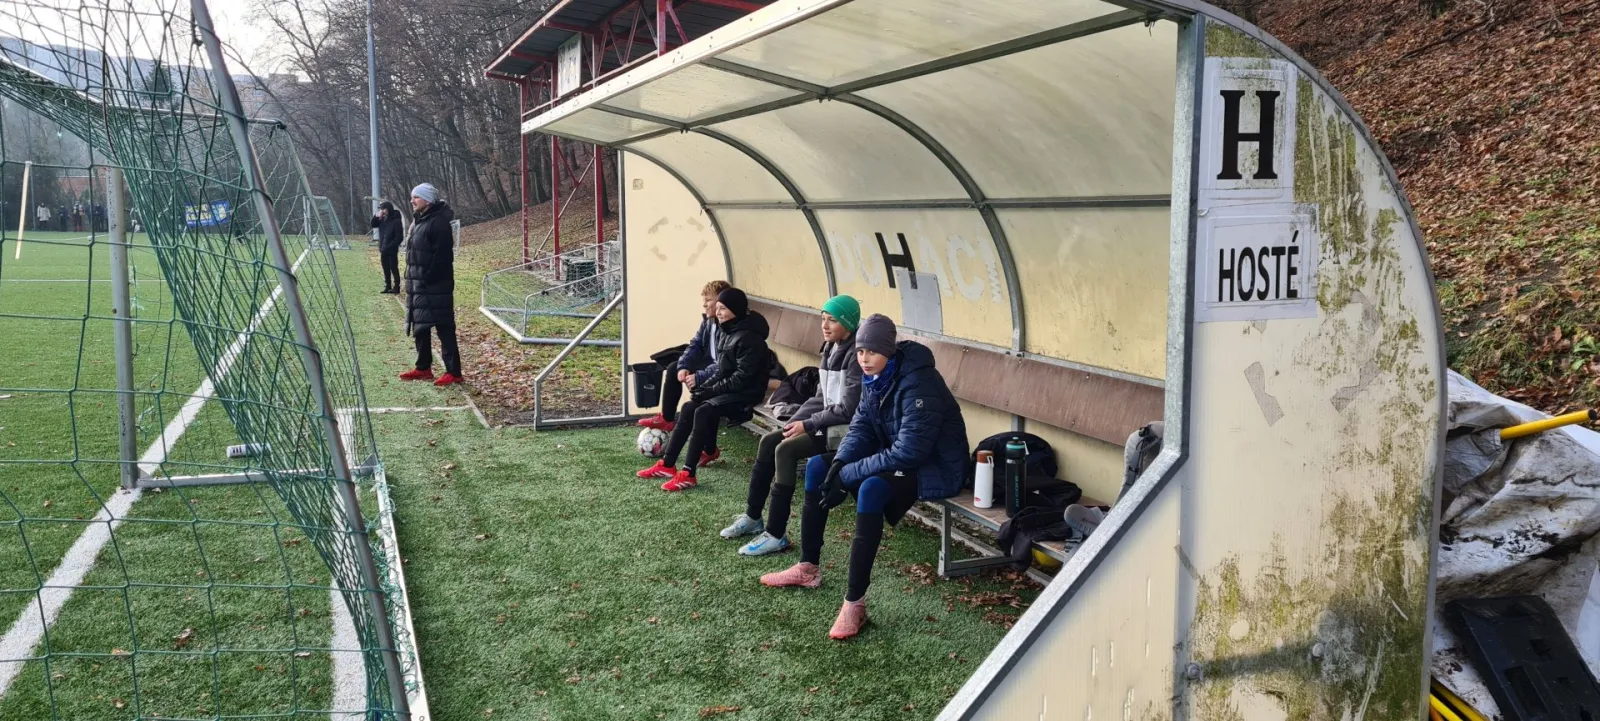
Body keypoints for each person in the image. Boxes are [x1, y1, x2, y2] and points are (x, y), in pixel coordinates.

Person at [760, 314, 969, 640]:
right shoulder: (876, 377)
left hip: (935, 465)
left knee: (871, 488)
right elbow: (861, 428)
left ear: (888, 350)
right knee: (818, 467)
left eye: (871, 351)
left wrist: (848, 474)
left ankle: (854, 604)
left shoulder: (920, 382)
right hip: (898, 453)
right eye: (860, 351)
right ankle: (807, 567)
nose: (864, 359)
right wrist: (840, 463)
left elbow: (909, 452)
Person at [722, 295, 862, 556]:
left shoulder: (856, 356)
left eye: (832, 320)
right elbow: (821, 397)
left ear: (849, 323)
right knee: (770, 440)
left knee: (785, 450)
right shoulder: (830, 348)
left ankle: (776, 534)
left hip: (849, 431)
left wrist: (807, 424)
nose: (825, 325)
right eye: (823, 319)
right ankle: (753, 517)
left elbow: (848, 409)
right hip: (827, 423)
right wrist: (798, 419)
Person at [638, 287, 770, 492]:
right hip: (731, 389)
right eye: (718, 308)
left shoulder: (751, 339)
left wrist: (710, 391)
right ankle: (667, 465)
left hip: (746, 393)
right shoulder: (727, 330)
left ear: (735, 309)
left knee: (703, 411)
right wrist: (706, 388)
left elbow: (741, 379)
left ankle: (688, 474)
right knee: (689, 406)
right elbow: (722, 370)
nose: (718, 312)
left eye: (723, 308)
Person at [398, 183, 464, 386]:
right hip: (418, 285)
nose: (412, 200)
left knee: (444, 328)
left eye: (416, 197)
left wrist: (428, 277)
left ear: (427, 200)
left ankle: (454, 372)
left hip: (435, 286)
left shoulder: (438, 222)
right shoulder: (419, 220)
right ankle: (423, 368)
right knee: (420, 327)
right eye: (412, 197)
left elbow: (442, 256)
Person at [370, 200, 404, 293]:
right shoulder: (382, 219)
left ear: (389, 209)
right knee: (385, 268)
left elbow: (399, 237)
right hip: (383, 248)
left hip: (391, 249)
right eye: (381, 209)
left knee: (393, 268)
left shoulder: (396, 220)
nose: (382, 211)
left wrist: (390, 246)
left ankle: (396, 287)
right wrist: (376, 216)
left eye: (384, 209)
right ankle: (388, 286)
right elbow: (373, 224)